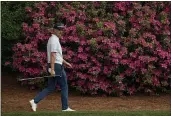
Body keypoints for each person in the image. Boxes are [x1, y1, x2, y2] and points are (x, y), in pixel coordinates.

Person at [29, 23, 75, 112]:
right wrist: (53, 69)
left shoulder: (54, 39)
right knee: (64, 86)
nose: (61, 31)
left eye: (62, 30)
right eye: (59, 30)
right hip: (56, 66)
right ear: (54, 30)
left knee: (51, 87)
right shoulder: (54, 40)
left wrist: (65, 62)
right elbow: (53, 55)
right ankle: (65, 108)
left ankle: (34, 101)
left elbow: (57, 55)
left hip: (54, 65)